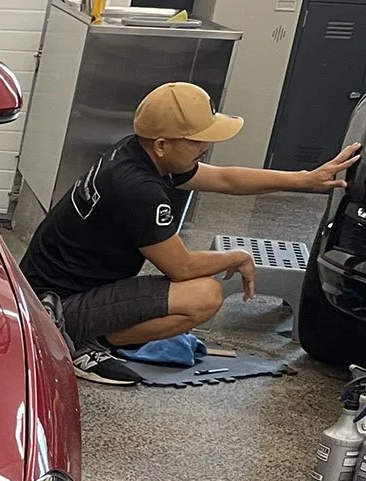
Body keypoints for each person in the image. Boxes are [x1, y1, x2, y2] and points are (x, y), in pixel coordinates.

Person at [21, 81, 361, 386]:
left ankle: (91, 336)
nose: (205, 147)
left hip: (61, 289)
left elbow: (226, 179)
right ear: (162, 145)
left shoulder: (137, 153)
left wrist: (305, 178)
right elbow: (180, 267)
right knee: (203, 296)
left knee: (192, 287)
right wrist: (236, 256)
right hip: (54, 308)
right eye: (198, 140)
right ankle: (85, 346)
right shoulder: (137, 188)